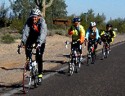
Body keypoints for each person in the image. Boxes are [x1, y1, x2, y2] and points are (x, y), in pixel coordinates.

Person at [20, 8, 47, 83]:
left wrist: (39, 43)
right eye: (33, 16)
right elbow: (25, 31)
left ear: (39, 16)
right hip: (31, 38)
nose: (34, 18)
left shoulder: (42, 22)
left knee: (39, 56)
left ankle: (40, 75)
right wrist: (22, 42)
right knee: (27, 47)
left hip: (41, 40)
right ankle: (29, 60)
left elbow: (43, 33)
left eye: (35, 16)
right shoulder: (29, 21)